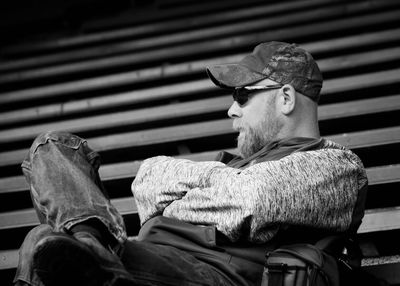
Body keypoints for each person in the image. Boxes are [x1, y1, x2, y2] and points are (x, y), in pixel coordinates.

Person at [14, 41, 368, 286]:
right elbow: (148, 181)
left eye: (243, 96)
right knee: (53, 148)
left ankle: (95, 259)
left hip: (212, 275)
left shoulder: (335, 166)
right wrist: (221, 184)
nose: (232, 109)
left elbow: (253, 200)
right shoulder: (232, 165)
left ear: (286, 98)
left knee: (43, 242)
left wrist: (189, 196)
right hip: (154, 260)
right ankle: (92, 247)